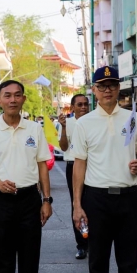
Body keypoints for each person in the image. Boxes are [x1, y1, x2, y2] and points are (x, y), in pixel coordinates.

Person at [71, 66, 137, 273]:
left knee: (128, 262)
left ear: (119, 88)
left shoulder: (133, 118)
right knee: (98, 261)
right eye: (102, 86)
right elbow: (79, 164)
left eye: (113, 85)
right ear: (94, 90)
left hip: (128, 198)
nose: (108, 90)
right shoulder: (84, 123)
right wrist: (77, 206)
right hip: (97, 200)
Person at [0, 80, 53, 273]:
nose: (13, 100)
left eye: (17, 95)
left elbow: (42, 165)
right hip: (2, 202)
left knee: (30, 259)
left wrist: (46, 200)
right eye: (7, 96)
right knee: (3, 260)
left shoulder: (35, 129)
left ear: (23, 99)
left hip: (30, 201)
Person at [58, 93, 89, 259]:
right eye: (80, 105)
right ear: (73, 108)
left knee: (93, 204)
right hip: (73, 167)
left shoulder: (94, 121)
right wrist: (63, 128)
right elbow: (63, 147)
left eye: (86, 104)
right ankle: (82, 245)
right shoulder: (67, 123)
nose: (83, 107)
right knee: (77, 204)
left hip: (92, 167)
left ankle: (93, 240)